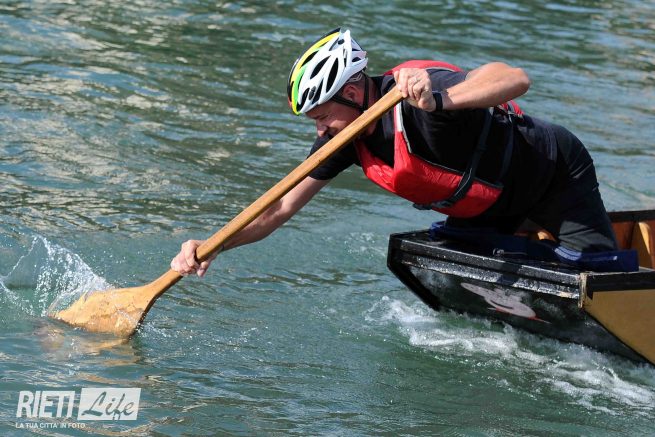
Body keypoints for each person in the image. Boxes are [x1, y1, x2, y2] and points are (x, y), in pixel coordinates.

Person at [171, 28, 618, 277]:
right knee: (447, 265)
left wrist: (439, 101)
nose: (320, 129)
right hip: (488, 205)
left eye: (321, 116)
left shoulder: (416, 92)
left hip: (553, 174)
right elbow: (278, 208)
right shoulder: (344, 139)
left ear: (351, 93)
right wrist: (213, 246)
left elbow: (515, 78)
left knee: (596, 275)